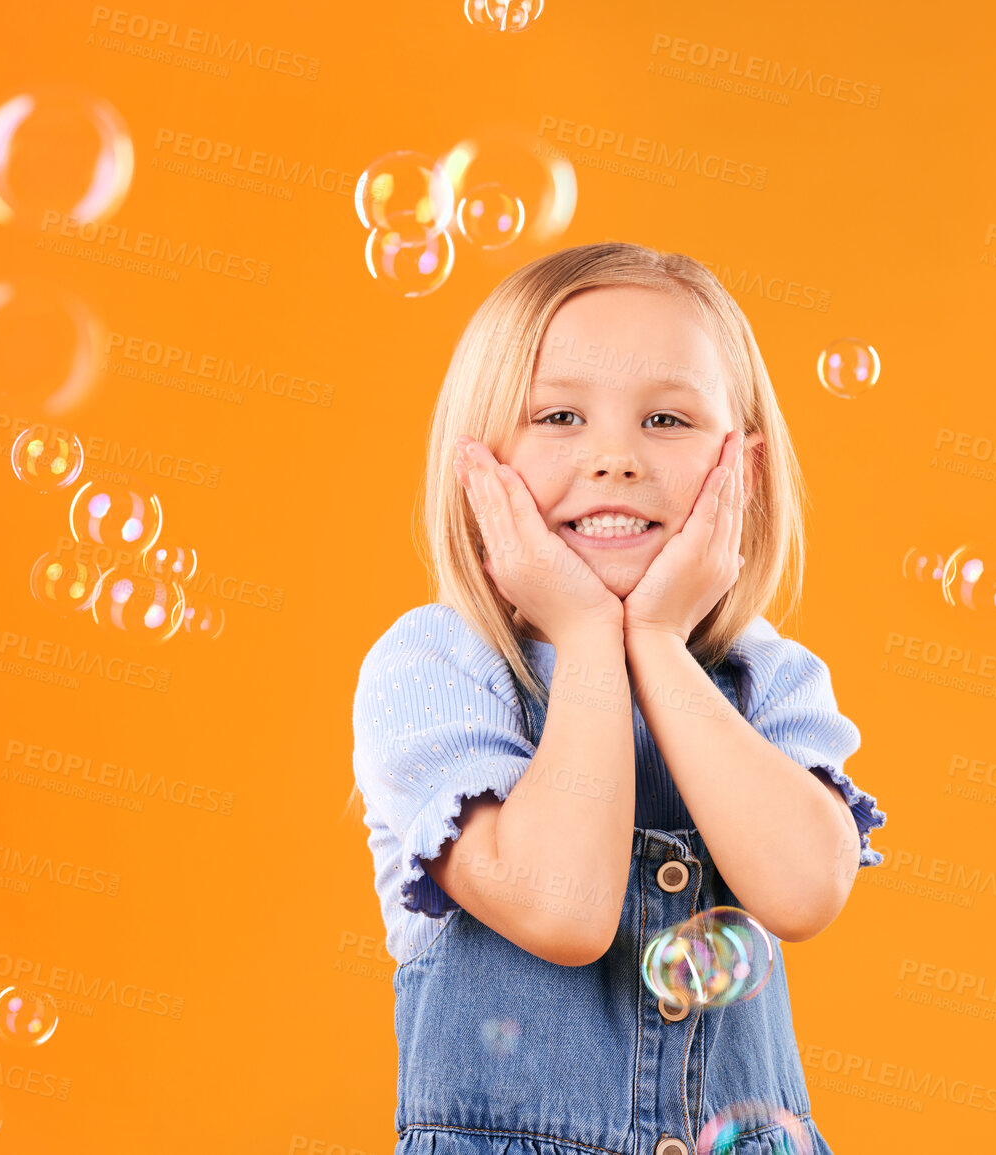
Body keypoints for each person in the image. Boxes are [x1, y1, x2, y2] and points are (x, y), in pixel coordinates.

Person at [349, 240, 887, 1155]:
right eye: (559, 414)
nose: (615, 459)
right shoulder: (437, 670)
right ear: (476, 466)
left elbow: (803, 890)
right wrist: (592, 636)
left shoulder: (766, 679)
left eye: (667, 421)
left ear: (742, 472)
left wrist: (657, 643)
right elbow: (565, 908)